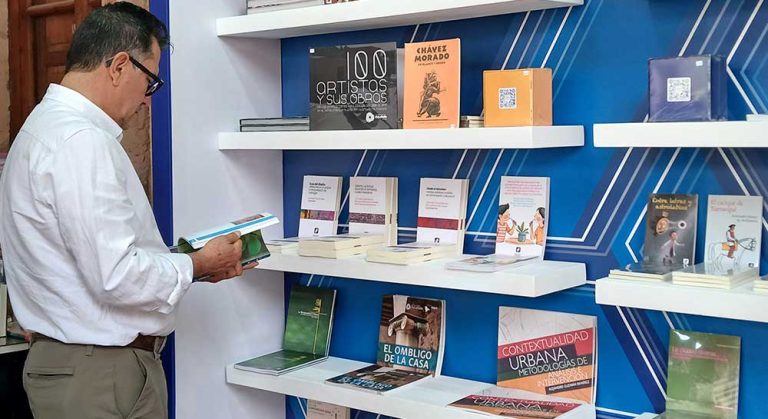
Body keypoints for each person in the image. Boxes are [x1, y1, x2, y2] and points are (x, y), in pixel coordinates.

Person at [0, 3, 254, 418]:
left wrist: (190, 265)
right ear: (119, 66)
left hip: (76, 368)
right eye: (150, 81)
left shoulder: (42, 129)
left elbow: (90, 262)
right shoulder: (81, 141)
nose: (147, 101)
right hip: (100, 373)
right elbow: (115, 275)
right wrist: (197, 263)